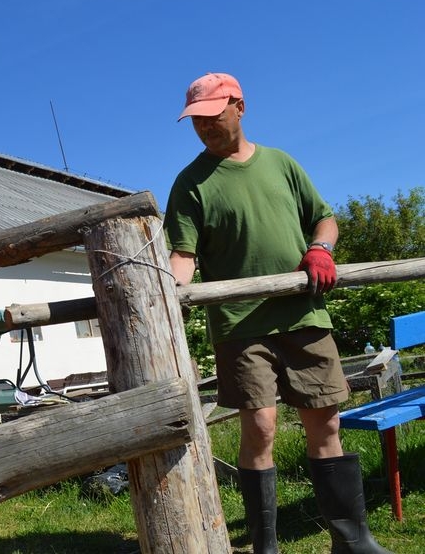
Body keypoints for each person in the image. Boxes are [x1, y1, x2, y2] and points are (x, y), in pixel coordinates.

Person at [164, 73, 391, 554]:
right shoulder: (190, 184)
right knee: (262, 426)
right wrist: (167, 296)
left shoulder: (281, 164)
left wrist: (320, 249)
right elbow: (183, 255)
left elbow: (323, 217)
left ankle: (351, 540)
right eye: (196, 121)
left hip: (303, 315)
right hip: (240, 325)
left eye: (212, 116)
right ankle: (266, 547)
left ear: (239, 106)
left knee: (325, 423)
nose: (204, 127)